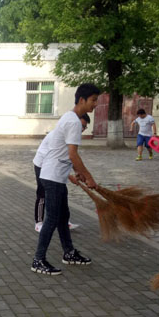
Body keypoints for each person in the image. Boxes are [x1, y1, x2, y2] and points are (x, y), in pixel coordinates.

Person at [31, 83, 100, 275]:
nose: (95, 104)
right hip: (53, 177)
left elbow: (64, 153)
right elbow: (72, 154)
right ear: (82, 100)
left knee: (63, 217)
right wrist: (89, 178)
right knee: (52, 219)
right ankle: (38, 260)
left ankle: (69, 252)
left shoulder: (69, 118)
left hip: (57, 176)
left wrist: (77, 172)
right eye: (93, 100)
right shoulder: (74, 122)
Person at [34, 114, 91, 233]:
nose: (82, 129)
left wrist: (77, 172)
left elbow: (70, 156)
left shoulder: (72, 135)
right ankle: (39, 223)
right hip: (42, 164)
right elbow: (56, 158)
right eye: (81, 125)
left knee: (62, 193)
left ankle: (64, 221)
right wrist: (70, 176)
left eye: (84, 127)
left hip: (55, 167)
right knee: (42, 193)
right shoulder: (60, 135)